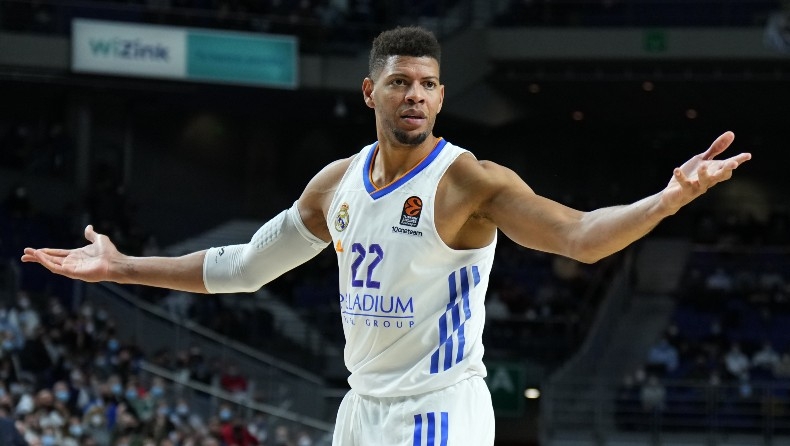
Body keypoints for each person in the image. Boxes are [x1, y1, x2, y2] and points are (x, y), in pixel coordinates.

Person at [20, 26, 751, 445]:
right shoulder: (336, 184)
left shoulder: (468, 181)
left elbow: (582, 237)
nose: (416, 95)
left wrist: (668, 199)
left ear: (441, 96)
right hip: (362, 406)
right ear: (371, 91)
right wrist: (120, 266)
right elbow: (242, 267)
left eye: (428, 84)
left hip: (440, 406)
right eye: (401, 82)